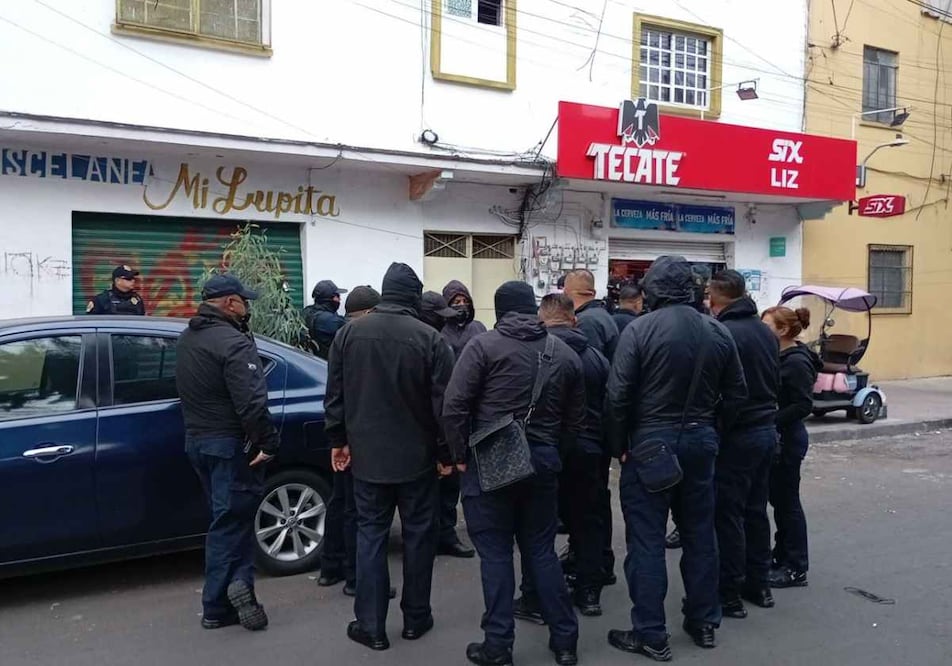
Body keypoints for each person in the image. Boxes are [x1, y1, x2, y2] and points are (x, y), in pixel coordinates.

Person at [605, 256, 747, 660]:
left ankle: (650, 632)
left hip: (651, 441)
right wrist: (712, 432)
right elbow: (737, 395)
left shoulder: (640, 330)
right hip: (700, 440)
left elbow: (617, 396)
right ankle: (704, 621)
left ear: (652, 290)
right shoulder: (718, 332)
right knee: (700, 533)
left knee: (647, 540)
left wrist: (619, 446)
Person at [443, 281, 585, 666]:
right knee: (541, 551)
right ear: (534, 309)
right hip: (542, 464)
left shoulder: (483, 347)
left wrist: (458, 456)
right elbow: (575, 421)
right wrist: (553, 454)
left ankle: (498, 646)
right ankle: (566, 642)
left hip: (489, 463)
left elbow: (455, 406)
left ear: (498, 309)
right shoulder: (565, 353)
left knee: (496, 556)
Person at [325, 263, 454, 652]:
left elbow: (335, 396)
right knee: (418, 537)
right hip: (417, 460)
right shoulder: (430, 339)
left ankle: (371, 625)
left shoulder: (348, 335)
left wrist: (338, 441)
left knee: (371, 537)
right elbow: (443, 406)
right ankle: (416, 618)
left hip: (367, 459)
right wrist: (447, 453)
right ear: (413, 297)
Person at [175, 274, 277, 632]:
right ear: (231, 303)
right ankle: (218, 603)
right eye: (244, 301)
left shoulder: (188, 337)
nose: (248, 307)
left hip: (198, 442)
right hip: (229, 445)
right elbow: (251, 402)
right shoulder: (233, 343)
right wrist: (266, 443)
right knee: (231, 523)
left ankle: (241, 588)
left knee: (228, 518)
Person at [708, 270, 781, 620]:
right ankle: (760, 582)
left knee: (729, 514)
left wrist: (720, 427)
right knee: (755, 510)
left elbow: (727, 392)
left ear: (716, 298)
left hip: (739, 433)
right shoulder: (764, 332)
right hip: (766, 431)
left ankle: (730, 592)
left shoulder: (724, 333)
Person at [539, 293, 611, 617]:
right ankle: (589, 592)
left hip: (548, 448)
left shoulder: (538, 352)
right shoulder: (595, 357)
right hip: (590, 449)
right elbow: (612, 403)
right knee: (588, 521)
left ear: (542, 319)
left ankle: (540, 594)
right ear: (574, 319)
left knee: (539, 524)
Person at [318, 284, 385, 596]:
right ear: (371, 312)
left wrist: (336, 438)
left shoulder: (340, 339)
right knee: (360, 512)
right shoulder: (366, 341)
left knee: (340, 502)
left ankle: (330, 568)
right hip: (363, 439)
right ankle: (356, 578)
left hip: (343, 436)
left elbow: (333, 395)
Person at [562, 268, 619, 587]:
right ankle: (596, 559)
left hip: (587, 427)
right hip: (599, 424)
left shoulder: (588, 324)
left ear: (572, 292)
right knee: (595, 498)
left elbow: (583, 376)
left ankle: (591, 563)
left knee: (587, 502)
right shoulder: (605, 317)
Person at [762, 306, 821, 589]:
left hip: (788, 440)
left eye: (767, 326)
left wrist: (769, 418)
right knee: (779, 502)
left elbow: (802, 405)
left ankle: (796, 567)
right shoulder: (779, 355)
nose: (762, 331)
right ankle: (781, 555)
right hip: (778, 437)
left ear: (783, 330)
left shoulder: (796, 362)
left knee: (787, 504)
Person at [418, 291, 478, 559]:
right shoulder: (429, 341)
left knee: (448, 486)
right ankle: (431, 536)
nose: (461, 308)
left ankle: (445, 533)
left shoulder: (471, 330)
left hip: (450, 421)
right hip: (431, 427)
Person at [562, 269, 618, 360]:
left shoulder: (586, 322)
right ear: (593, 293)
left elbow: (589, 363)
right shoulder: (603, 314)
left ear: (565, 293)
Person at [441, 280, 487, 357]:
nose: (462, 304)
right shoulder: (442, 329)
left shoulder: (479, 327)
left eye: (465, 301)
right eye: (457, 302)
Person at [303, 280, 347, 359]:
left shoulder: (306, 311)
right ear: (329, 299)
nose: (339, 299)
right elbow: (351, 328)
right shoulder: (329, 320)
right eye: (337, 296)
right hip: (323, 365)